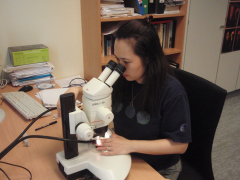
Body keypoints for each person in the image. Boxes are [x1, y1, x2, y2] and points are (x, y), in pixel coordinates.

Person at [57, 16, 191, 180]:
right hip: (126, 153)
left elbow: (180, 145)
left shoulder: (172, 92)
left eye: (126, 61)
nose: (120, 67)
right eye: (117, 60)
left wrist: (129, 145)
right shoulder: (123, 78)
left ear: (148, 58)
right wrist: (76, 90)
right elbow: (95, 93)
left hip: (157, 168)